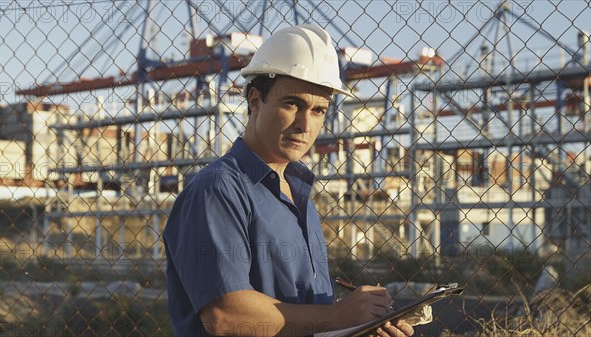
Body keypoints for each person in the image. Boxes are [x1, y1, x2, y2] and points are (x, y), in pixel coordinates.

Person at [163, 24, 414, 337]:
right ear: (255, 100)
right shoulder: (217, 190)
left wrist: (361, 325)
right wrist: (338, 316)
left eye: (319, 110)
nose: (304, 124)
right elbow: (224, 316)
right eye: (292, 103)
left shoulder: (299, 195)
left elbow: (304, 318)